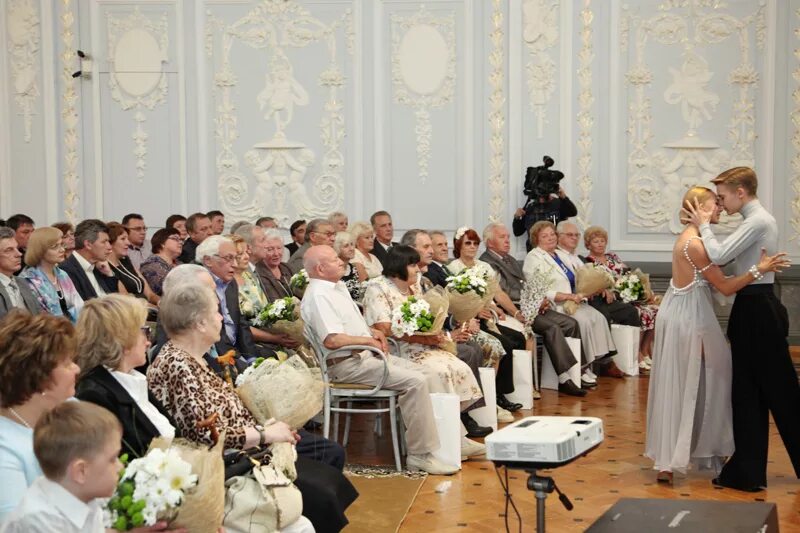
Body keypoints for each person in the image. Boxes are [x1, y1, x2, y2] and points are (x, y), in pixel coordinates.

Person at [148, 282, 357, 532]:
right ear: (199, 323)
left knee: (328, 476)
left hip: (246, 447)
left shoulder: (194, 357)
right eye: (216, 312)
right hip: (223, 466)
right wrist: (266, 434)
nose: (221, 318)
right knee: (322, 494)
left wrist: (269, 427)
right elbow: (205, 436)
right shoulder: (178, 365)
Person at [646, 185, 790, 486]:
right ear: (699, 208)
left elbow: (721, 263)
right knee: (705, 376)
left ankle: (696, 453)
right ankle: (686, 454)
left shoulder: (695, 239)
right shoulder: (694, 244)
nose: (720, 209)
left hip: (687, 311)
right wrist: (758, 269)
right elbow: (724, 286)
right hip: (689, 316)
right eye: (715, 204)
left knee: (701, 377)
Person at [300, 245, 466, 473]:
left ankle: (453, 440)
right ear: (320, 268)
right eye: (334, 259)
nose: (341, 261)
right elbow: (333, 340)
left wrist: (371, 331)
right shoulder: (319, 295)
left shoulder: (334, 287)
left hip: (365, 356)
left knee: (429, 373)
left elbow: (348, 325)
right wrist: (369, 342)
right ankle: (420, 454)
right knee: (416, 382)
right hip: (346, 365)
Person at [684, 168, 800, 492]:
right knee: (749, 394)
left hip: (758, 310)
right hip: (753, 307)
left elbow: (720, 254)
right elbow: (732, 263)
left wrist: (703, 226)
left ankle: (747, 472)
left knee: (781, 392)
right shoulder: (757, 221)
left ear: (740, 192)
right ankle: (746, 473)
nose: (720, 203)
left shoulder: (758, 221)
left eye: (722, 196)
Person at [363, 246, 491, 441]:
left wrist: (437, 333)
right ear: (399, 266)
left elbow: (427, 317)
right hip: (396, 350)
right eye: (413, 265)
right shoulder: (377, 287)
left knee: (457, 367)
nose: (418, 269)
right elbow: (385, 329)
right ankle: (445, 437)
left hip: (422, 345)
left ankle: (453, 432)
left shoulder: (415, 285)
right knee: (439, 372)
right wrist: (425, 338)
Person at [402, 228, 506, 426]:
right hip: (421, 342)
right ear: (410, 250)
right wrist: (449, 334)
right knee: (469, 350)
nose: (432, 250)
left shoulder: (427, 275)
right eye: (427, 246)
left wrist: (458, 323)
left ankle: (470, 411)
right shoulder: (413, 279)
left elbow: (442, 309)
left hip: (441, 332)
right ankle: (461, 416)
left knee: (476, 347)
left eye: (436, 246)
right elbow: (417, 320)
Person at [480, 222, 584, 396]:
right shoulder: (487, 262)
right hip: (513, 309)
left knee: (570, 323)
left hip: (531, 305)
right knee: (552, 327)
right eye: (502, 237)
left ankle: (578, 370)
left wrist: (540, 299)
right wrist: (527, 305)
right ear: (490, 243)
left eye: (507, 237)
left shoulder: (510, 259)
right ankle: (564, 378)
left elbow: (526, 285)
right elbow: (504, 292)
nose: (507, 241)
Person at [0, 312, 81, 521]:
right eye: (66, 363)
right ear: (39, 376)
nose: (77, 368)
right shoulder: (5, 449)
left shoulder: (70, 407)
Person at [75, 294, 176, 458]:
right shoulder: (94, 396)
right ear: (121, 337)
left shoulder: (132, 378)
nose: (148, 341)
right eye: (144, 331)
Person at [1, 401, 123, 533]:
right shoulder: (38, 522)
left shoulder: (82, 493)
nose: (120, 467)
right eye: (112, 459)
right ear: (81, 471)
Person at [523, 221, 616, 390]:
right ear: (536, 239)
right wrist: (568, 296)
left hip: (572, 301)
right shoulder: (534, 257)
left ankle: (592, 362)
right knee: (583, 320)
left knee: (598, 317)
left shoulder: (558, 255)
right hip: (554, 305)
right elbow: (540, 290)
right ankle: (582, 366)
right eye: (545, 236)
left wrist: (588, 289)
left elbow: (577, 277)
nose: (550, 238)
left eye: (552, 234)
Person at [556, 221, 631, 379]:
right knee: (592, 317)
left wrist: (600, 287)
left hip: (583, 300)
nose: (574, 238)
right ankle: (586, 366)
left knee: (599, 317)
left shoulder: (575, 257)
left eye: (576, 235)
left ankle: (601, 362)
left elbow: (588, 278)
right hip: (565, 302)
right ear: (559, 237)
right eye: (570, 235)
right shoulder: (557, 256)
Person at [584, 225, 660, 372]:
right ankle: (636, 353)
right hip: (613, 299)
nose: (600, 244)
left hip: (628, 294)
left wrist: (641, 291)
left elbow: (628, 274)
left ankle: (644, 352)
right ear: (588, 244)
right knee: (640, 313)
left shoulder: (612, 257)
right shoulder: (589, 262)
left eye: (602, 241)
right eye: (595, 241)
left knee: (655, 311)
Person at [230, 233, 299, 350]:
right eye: (240, 254)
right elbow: (238, 326)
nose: (247, 257)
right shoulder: (227, 285)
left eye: (247, 252)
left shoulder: (248, 276)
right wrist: (274, 338)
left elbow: (266, 309)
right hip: (246, 342)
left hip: (268, 336)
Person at [60, 219, 119, 300]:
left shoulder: (98, 267)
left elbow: (114, 299)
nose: (109, 247)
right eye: (104, 242)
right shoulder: (66, 271)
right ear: (88, 245)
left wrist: (109, 274)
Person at [107, 223, 159, 305]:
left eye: (127, 238)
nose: (128, 243)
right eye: (123, 239)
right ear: (110, 243)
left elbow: (150, 294)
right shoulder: (106, 268)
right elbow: (127, 302)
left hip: (145, 308)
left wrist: (160, 303)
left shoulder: (125, 260)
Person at [512, 185, 577, 251]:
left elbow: (572, 212)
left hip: (555, 251)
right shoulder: (530, 207)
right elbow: (517, 232)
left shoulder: (558, 204)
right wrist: (517, 217)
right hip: (535, 252)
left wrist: (563, 197)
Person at [0, 227, 41, 317]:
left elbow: (38, 315)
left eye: (16, 248)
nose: (19, 254)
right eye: (9, 250)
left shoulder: (23, 282)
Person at [255, 228, 302, 301]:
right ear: (262, 250)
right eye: (270, 249)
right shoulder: (257, 272)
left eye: (279, 248)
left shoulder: (287, 268)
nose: (276, 254)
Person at [140, 228, 183, 297]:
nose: (181, 242)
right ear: (162, 243)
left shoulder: (180, 263)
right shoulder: (151, 265)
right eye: (175, 239)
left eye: (181, 240)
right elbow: (168, 290)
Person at [333, 231, 367, 302]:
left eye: (352, 244)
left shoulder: (356, 268)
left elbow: (366, 291)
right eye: (346, 246)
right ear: (337, 248)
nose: (351, 248)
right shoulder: (333, 270)